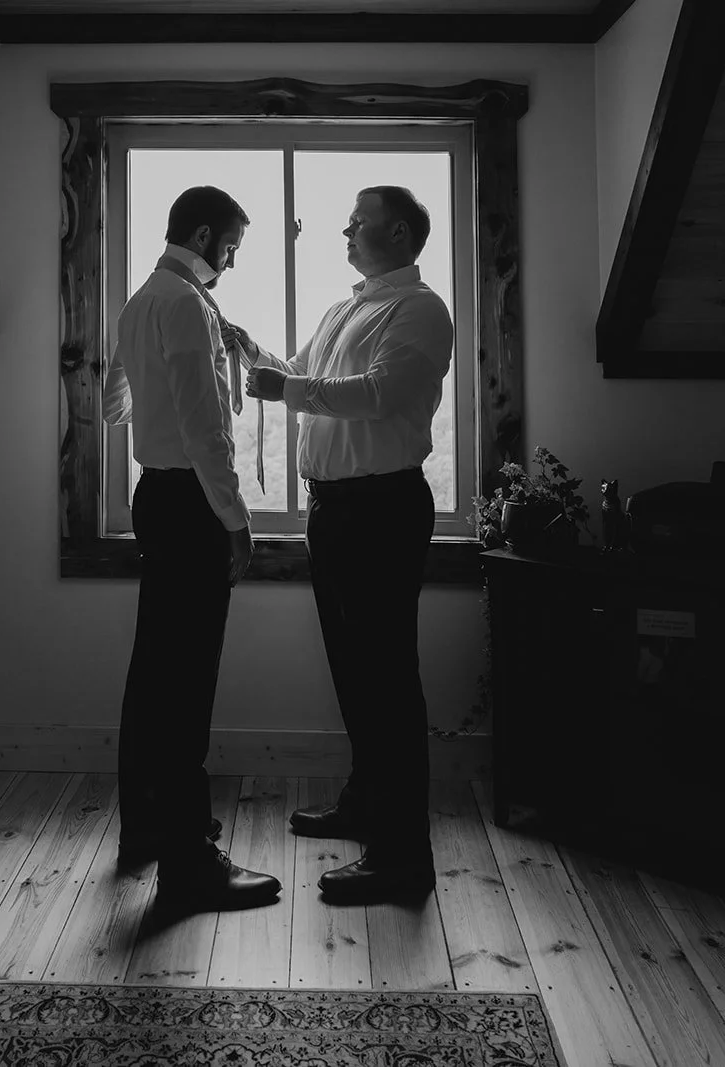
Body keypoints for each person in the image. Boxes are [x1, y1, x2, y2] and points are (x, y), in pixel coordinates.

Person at [233, 186, 453, 904]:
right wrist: (245, 347)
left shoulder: (421, 310)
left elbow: (379, 393)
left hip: (383, 510)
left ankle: (402, 857)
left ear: (395, 231)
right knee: (354, 670)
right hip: (332, 511)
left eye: (356, 220)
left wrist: (287, 388)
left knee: (388, 678)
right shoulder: (340, 309)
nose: (344, 229)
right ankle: (365, 803)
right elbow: (296, 371)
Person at [102, 185, 281, 911]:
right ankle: (188, 864)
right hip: (192, 504)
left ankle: (147, 827)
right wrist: (235, 520)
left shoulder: (144, 298)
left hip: (157, 495)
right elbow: (209, 431)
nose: (232, 264)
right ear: (204, 236)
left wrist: (164, 380)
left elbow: (109, 403)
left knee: (155, 671)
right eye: (231, 249)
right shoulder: (183, 305)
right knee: (187, 682)